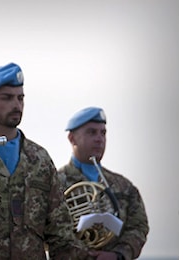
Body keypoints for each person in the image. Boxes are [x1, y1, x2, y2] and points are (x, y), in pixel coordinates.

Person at [0, 62, 74, 259]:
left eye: (20, 98)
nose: (16, 105)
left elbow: (60, 231)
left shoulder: (40, 159)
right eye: (7, 98)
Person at [56, 106, 149, 259]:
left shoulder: (125, 187)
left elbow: (138, 226)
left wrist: (117, 255)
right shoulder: (54, 182)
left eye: (103, 133)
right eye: (91, 132)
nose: (99, 139)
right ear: (72, 138)